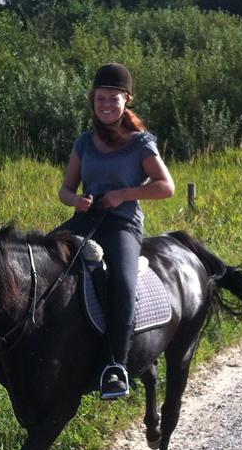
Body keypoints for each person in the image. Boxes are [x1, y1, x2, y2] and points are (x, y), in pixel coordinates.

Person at [56, 62, 175, 399]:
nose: (106, 105)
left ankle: (114, 366)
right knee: (43, 263)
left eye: (113, 98)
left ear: (126, 100)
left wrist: (124, 194)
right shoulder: (84, 143)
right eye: (100, 99)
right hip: (86, 221)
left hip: (122, 225)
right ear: (92, 101)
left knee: (122, 284)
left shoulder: (140, 144)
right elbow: (65, 189)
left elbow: (166, 187)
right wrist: (75, 200)